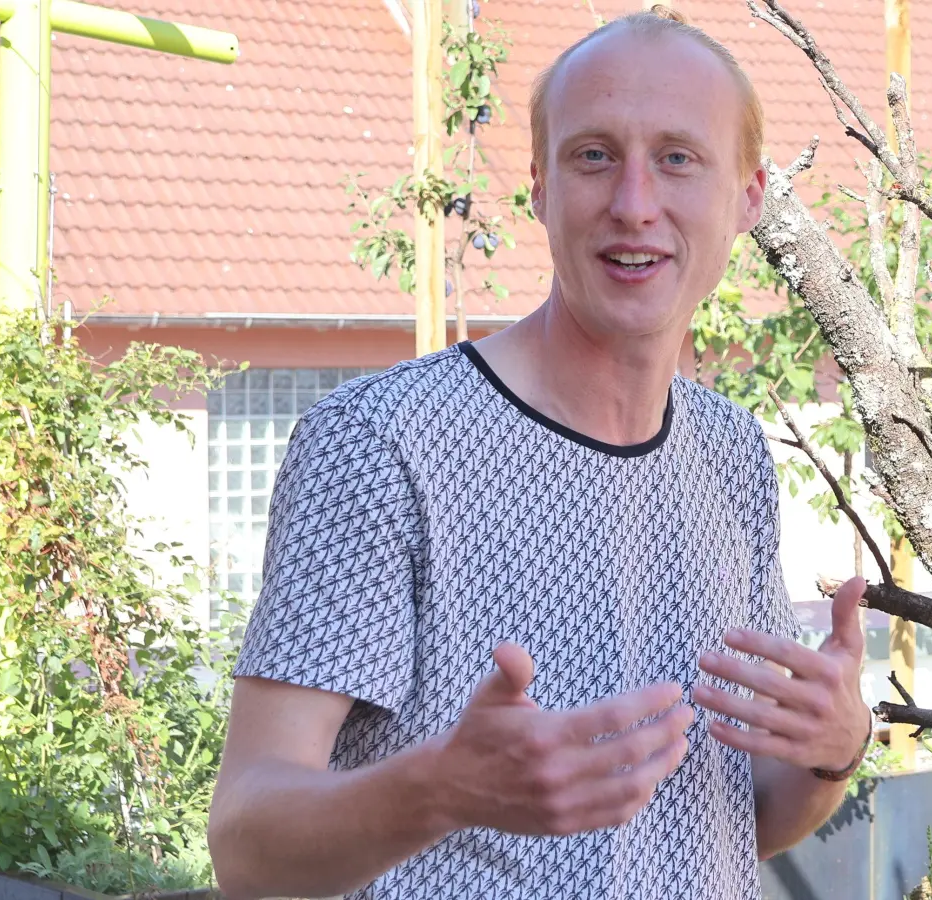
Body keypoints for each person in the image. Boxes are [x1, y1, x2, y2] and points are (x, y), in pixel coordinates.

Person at [205, 8, 874, 900]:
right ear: (541, 187)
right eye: (594, 155)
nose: (634, 202)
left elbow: (734, 824)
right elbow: (247, 848)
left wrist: (834, 752)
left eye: (677, 157)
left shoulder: (731, 452)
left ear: (748, 197)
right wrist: (436, 790)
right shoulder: (384, 440)